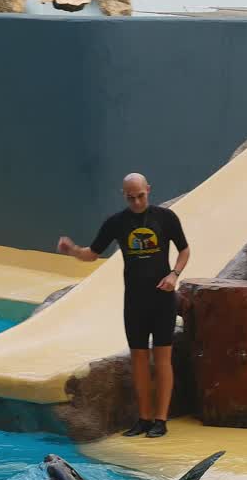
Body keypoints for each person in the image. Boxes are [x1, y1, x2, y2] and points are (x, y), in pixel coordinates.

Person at [57, 173, 190, 438]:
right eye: (131, 197)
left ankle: (160, 420)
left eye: (141, 195)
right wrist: (72, 250)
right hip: (135, 300)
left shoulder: (166, 218)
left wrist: (174, 274)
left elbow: (184, 250)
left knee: (162, 358)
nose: (137, 201)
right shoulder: (117, 223)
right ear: (124, 195)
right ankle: (143, 418)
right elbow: (92, 254)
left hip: (162, 299)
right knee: (139, 359)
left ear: (148, 190)